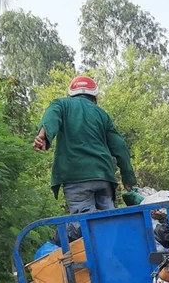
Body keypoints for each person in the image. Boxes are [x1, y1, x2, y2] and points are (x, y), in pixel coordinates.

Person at [33, 75, 137, 215]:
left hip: (76, 177)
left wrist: (42, 136)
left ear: (71, 94)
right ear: (94, 97)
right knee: (109, 223)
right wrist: (128, 177)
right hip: (104, 177)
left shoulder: (61, 104)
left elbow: (51, 117)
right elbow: (120, 147)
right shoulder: (102, 114)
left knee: (84, 228)